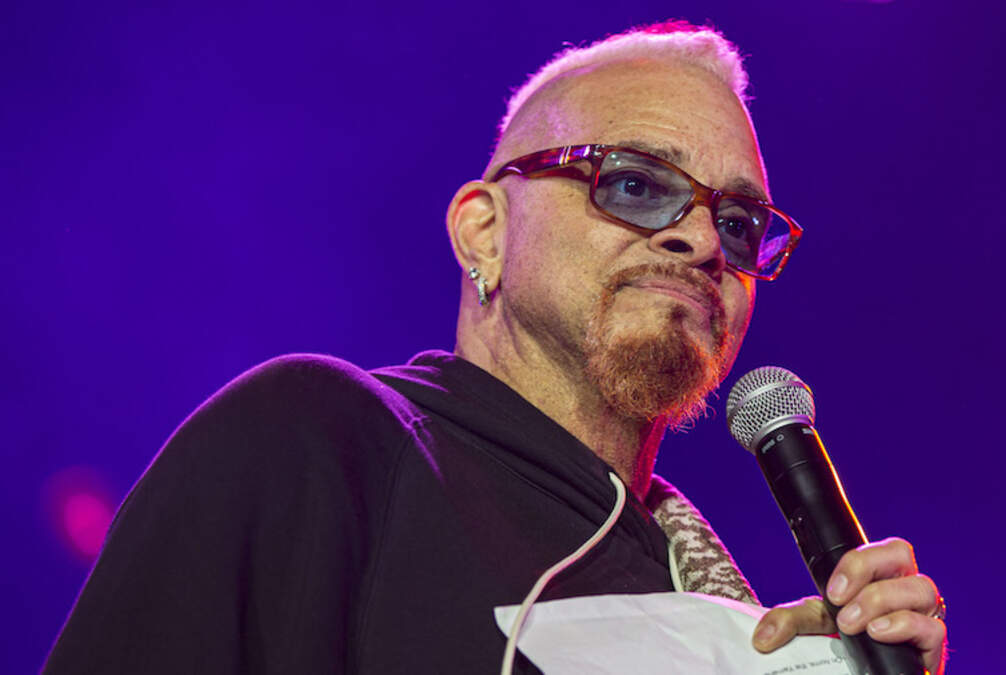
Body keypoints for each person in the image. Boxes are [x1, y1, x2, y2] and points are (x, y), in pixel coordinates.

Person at [45, 21, 946, 674]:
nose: (704, 240)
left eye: (740, 223)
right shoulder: (320, 441)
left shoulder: (714, 600)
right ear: (484, 232)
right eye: (635, 184)